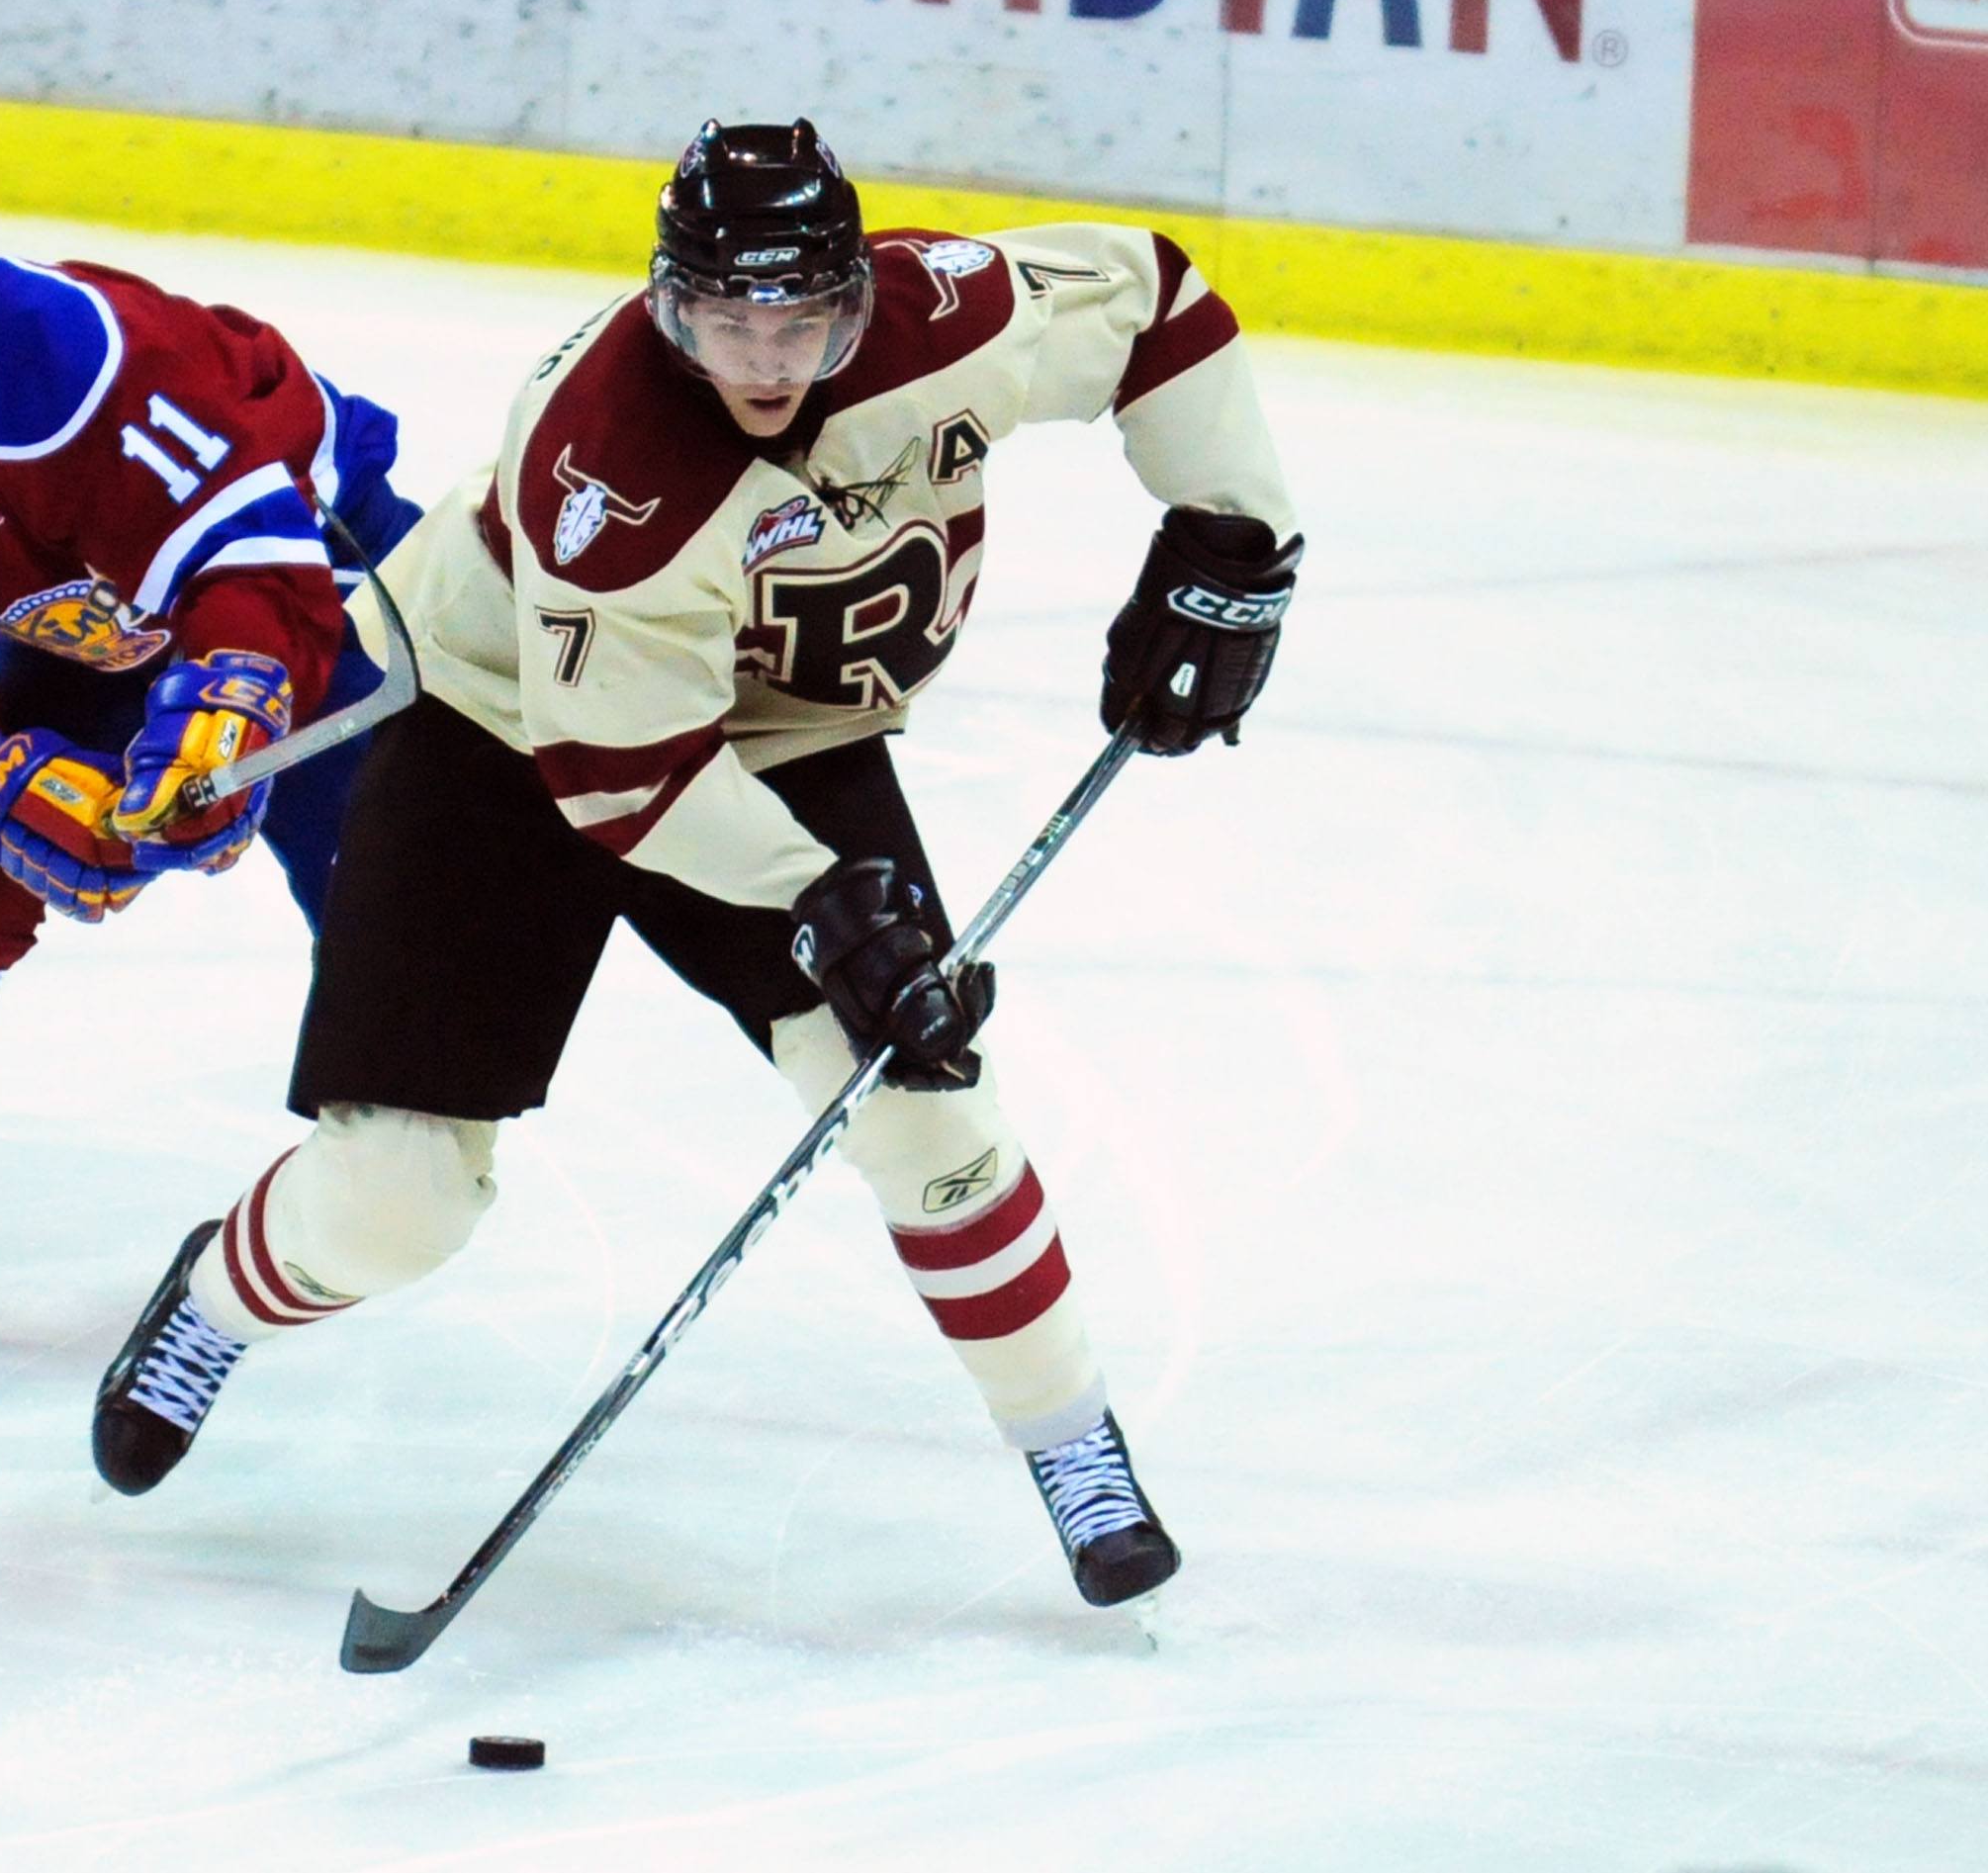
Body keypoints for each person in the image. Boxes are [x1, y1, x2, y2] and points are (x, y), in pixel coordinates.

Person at [90, 120, 1307, 1612]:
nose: (767, 357)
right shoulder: (614, 464)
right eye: (728, 319)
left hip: (777, 734)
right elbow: (620, 778)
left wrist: (1239, 538)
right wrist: (824, 900)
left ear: (859, 294)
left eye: (802, 317)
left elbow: (1156, 303)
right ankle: (213, 1301)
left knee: (926, 1108)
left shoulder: (953, 321)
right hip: (501, 729)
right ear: (670, 304)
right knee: (397, 1199)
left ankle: (1073, 1445)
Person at [0, 157, 422, 1334]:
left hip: (317, 573)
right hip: (99, 615)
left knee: (382, 897)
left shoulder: (76, 364)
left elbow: (251, 560)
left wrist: (225, 713)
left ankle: (351, 1197)